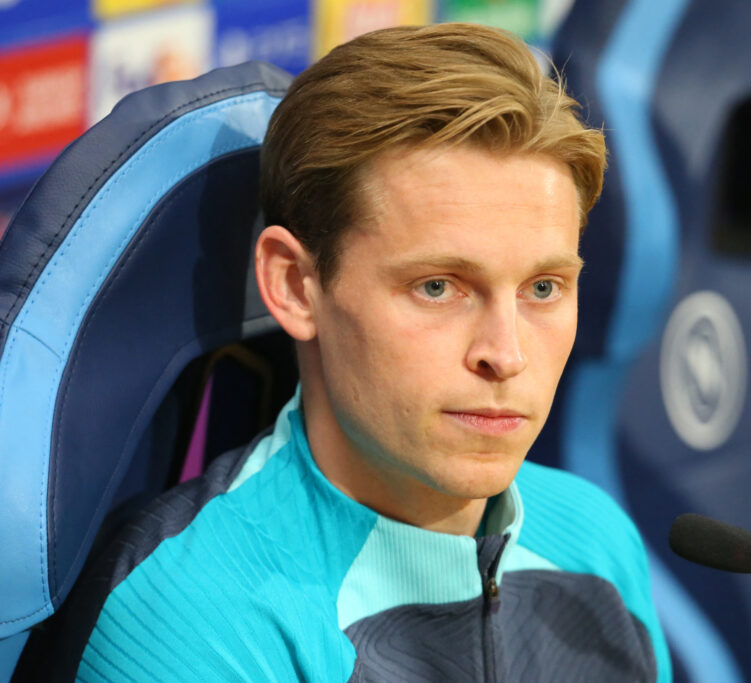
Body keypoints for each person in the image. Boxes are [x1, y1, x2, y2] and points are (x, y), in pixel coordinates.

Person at [69, 23, 670, 681]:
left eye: (544, 287)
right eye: (438, 286)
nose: (506, 353)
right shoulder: (188, 621)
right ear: (296, 286)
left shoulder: (596, 540)